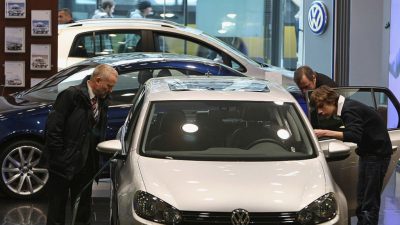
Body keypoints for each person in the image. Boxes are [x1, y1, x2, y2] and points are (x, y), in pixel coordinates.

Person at [43, 64, 118, 225]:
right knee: (57, 209)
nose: (110, 90)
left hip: (87, 164)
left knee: (83, 210)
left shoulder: (102, 101)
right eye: (108, 86)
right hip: (64, 164)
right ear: (98, 80)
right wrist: (60, 159)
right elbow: (53, 130)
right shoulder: (71, 96)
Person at [311, 85, 392, 225]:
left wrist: (324, 132)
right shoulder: (348, 107)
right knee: (363, 202)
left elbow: (354, 135)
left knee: (368, 204)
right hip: (370, 154)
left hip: (376, 156)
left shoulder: (349, 109)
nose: (319, 112)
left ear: (331, 101)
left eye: (321, 106)